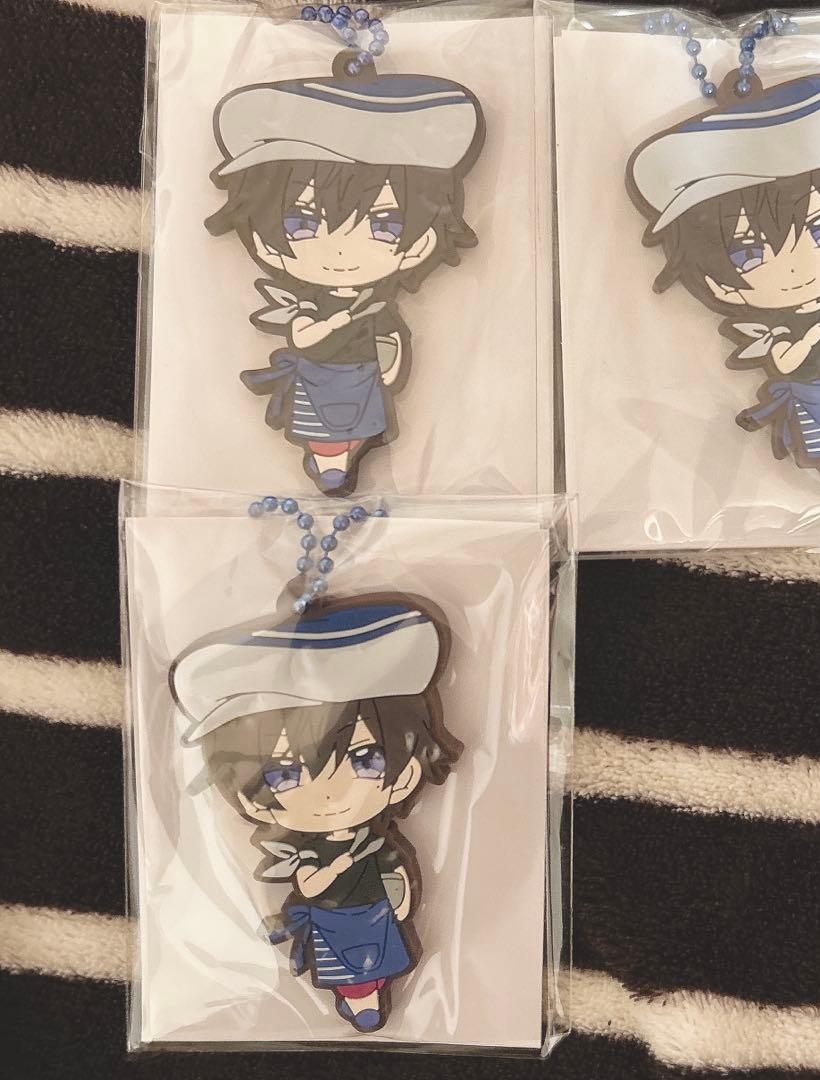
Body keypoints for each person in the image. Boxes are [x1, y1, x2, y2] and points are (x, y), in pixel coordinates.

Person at [170, 595, 459, 1033]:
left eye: (365, 760)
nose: (329, 793)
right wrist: (338, 868)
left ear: (406, 774)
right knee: (344, 967)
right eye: (286, 775)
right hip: (332, 920)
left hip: (375, 914)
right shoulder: (306, 852)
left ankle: (370, 993)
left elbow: (394, 871)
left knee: (380, 960)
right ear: (252, 801)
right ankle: (357, 998)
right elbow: (308, 884)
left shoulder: (378, 843)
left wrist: (399, 898)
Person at [627, 71, 820, 504]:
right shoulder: (779, 330)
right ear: (721, 286)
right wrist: (817, 335)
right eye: (750, 254)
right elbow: (786, 358)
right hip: (815, 398)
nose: (791, 265)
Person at [206, 66, 484, 494]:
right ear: (262, 239)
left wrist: (389, 365)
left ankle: (338, 460)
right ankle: (328, 461)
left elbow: (389, 341)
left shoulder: (378, 307)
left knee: (358, 424)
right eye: (301, 223)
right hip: (317, 375)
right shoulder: (307, 303)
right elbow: (302, 333)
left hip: (362, 376)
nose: (338, 249)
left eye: (384, 226)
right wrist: (339, 326)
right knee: (320, 426)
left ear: (421, 241)